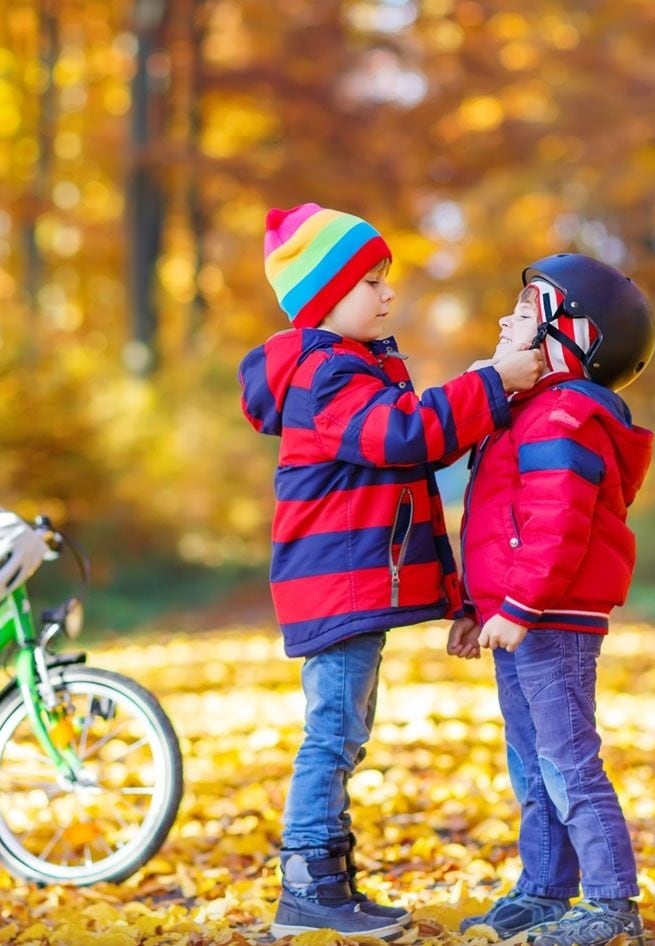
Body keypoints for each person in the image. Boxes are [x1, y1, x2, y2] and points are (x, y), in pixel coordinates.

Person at [238, 202, 544, 939]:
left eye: (386, 279)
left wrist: (482, 386)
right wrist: (492, 383)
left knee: (346, 728)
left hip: (343, 587)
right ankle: (309, 882)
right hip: (333, 588)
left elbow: (415, 445)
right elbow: (404, 435)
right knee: (334, 730)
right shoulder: (326, 375)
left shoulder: (353, 369)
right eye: (370, 281)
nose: (388, 294)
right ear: (323, 298)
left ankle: (330, 881)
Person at [447, 253, 655, 946]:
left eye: (528, 305)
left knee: (567, 759)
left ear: (578, 336)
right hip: (520, 617)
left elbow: (558, 527)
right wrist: (479, 607)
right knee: (532, 762)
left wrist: (520, 606)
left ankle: (610, 899)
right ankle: (543, 889)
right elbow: (500, 524)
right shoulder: (526, 413)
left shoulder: (566, 417)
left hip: (552, 618)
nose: (508, 317)